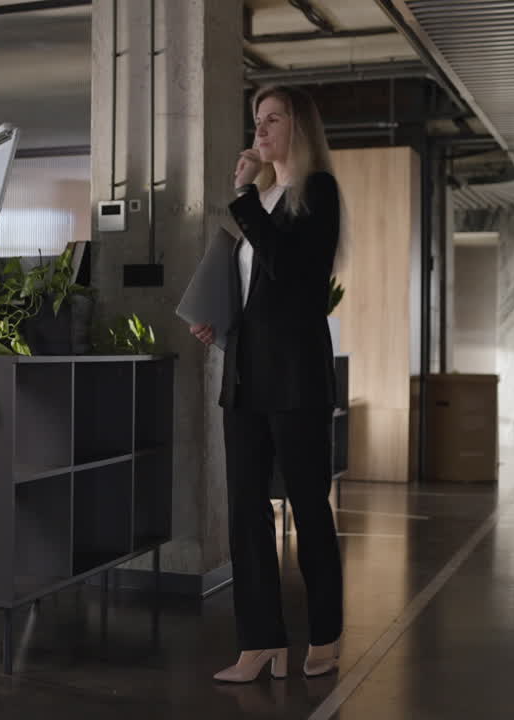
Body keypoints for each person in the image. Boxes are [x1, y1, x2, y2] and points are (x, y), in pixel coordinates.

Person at [189, 85, 344, 683]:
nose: (260, 130)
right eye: (257, 120)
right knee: (244, 512)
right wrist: (217, 317)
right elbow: (256, 288)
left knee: (308, 508)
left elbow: (296, 276)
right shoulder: (262, 199)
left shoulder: (316, 193)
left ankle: (325, 635)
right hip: (247, 374)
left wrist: (247, 197)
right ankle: (260, 642)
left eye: (273, 119)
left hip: (298, 378)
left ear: (299, 128)